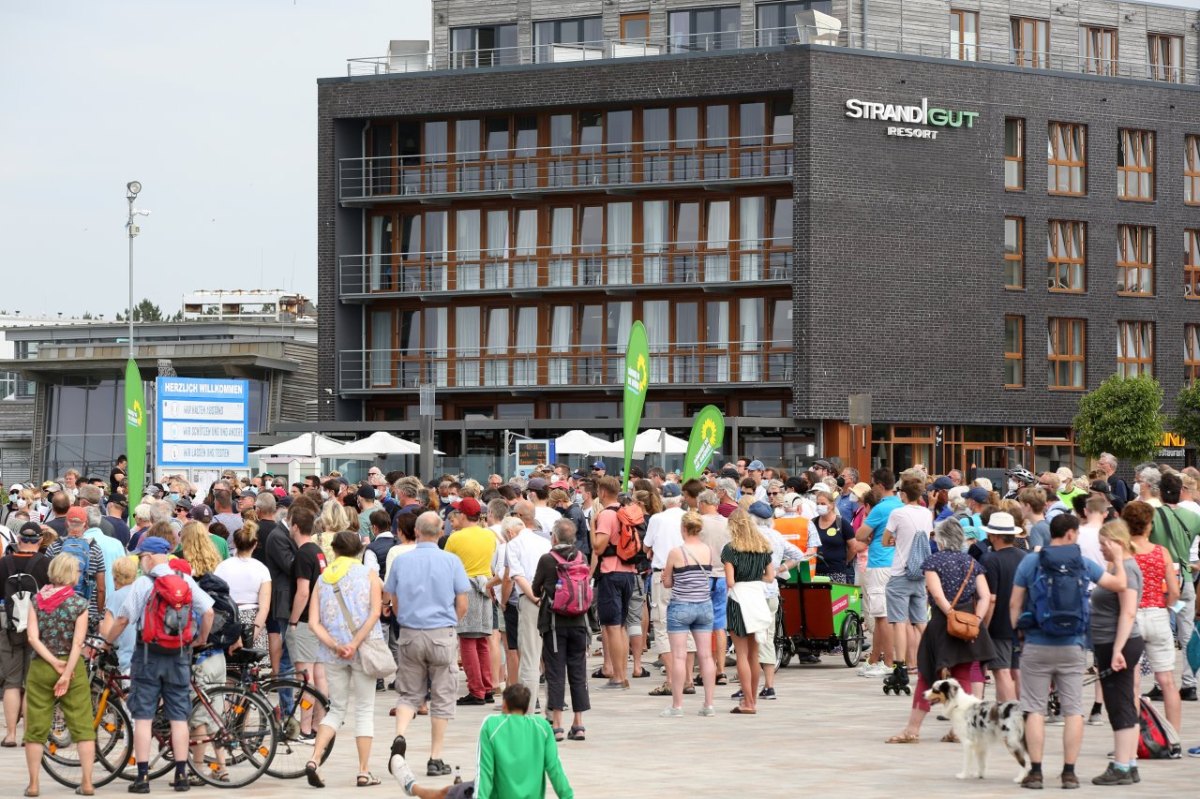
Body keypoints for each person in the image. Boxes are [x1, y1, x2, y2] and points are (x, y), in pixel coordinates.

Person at [1010, 512, 1126, 790]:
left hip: (1037, 643)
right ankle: (1069, 773)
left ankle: (1036, 772)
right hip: (1073, 644)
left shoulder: (1030, 561)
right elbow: (1118, 584)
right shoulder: (1082, 563)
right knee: (1073, 710)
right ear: (1072, 534)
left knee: (1034, 708)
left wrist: (1019, 633)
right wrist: (1119, 559)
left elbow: (1015, 604)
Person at [103, 533, 215, 793]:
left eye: (142, 556)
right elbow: (208, 611)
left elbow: (122, 620)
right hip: (179, 655)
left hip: (148, 655)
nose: (141, 561)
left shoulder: (144, 584)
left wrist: (107, 642)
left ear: (151, 557)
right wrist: (200, 638)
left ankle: (142, 778)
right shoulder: (185, 580)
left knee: (143, 717)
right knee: (178, 716)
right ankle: (181, 774)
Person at [886, 516, 995, 744]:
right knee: (963, 676)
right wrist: (975, 619)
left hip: (942, 626)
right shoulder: (972, 563)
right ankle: (960, 730)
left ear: (942, 540)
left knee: (927, 676)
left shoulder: (934, 562)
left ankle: (912, 730)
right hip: (969, 627)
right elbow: (985, 596)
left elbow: (936, 595)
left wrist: (950, 614)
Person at [385, 511, 470, 778]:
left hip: (410, 632)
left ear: (417, 532)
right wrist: (449, 623)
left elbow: (393, 599)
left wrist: (406, 618)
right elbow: (463, 604)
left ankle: (400, 735)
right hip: (441, 632)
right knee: (442, 696)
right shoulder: (451, 561)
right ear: (441, 532)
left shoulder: (401, 561)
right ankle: (435, 757)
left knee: (409, 694)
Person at [388, 683, 573, 799]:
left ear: (505, 705)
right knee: (452, 790)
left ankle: (411, 787)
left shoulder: (492, 724)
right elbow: (555, 770)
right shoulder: (543, 727)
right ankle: (412, 787)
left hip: (489, 793)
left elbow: (485, 772)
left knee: (445, 793)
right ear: (526, 708)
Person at [304, 531, 384, 788]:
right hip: (363, 649)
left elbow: (314, 623)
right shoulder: (369, 575)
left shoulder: (323, 579)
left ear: (334, 550)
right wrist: (354, 643)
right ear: (358, 551)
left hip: (333, 653)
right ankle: (363, 771)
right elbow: (375, 613)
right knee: (364, 710)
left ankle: (315, 759)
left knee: (336, 709)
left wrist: (337, 646)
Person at [23, 553, 95, 797]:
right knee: (83, 726)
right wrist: (66, 671)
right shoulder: (79, 604)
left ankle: (33, 784)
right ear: (73, 574)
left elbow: (32, 638)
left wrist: (52, 662)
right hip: (72, 667)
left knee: (35, 726)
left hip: (42, 666)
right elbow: (78, 642)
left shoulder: (36, 601)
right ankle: (86, 782)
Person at [1089, 520, 1145, 786]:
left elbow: (1129, 611)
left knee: (1119, 703)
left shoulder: (1129, 570)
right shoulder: (1120, 567)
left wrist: (1117, 649)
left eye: (1104, 544)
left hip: (1117, 642)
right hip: (1111, 641)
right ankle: (1129, 762)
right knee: (1121, 702)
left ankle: (1122, 765)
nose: (1101, 549)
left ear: (1117, 543)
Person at [1123, 500, 1183, 734]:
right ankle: (1173, 737)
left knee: (1133, 682)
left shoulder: (1123, 551)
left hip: (1132, 617)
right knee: (1167, 680)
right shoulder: (1161, 553)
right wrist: (1167, 609)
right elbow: (1174, 591)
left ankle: (1134, 738)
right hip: (1157, 614)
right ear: (1149, 525)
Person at [532, 518, 591, 740]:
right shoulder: (581, 557)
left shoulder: (548, 560)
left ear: (554, 537)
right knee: (578, 672)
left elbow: (536, 589)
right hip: (579, 623)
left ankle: (556, 724)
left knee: (555, 673)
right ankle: (579, 723)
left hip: (554, 624)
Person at [1148, 472, 1200, 702]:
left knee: (1162, 633)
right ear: (1181, 492)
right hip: (1185, 581)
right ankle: (1189, 684)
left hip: (1162, 583)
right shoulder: (1192, 517)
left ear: (1160, 492)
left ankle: (1162, 683)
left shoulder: (1153, 516)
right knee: (1186, 631)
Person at [660, 510, 717, 717]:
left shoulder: (676, 552)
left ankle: (677, 706)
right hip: (704, 605)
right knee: (706, 656)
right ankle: (708, 704)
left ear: (683, 528)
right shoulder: (708, 550)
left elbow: (668, 582)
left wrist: (667, 578)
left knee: (678, 656)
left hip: (681, 606)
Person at [0, 522, 51, 747]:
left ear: (19, 539)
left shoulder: (4, 564)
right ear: (40, 541)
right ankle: (29, 735)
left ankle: (10, 734)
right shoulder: (46, 564)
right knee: (32, 682)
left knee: (11, 682)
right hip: (36, 628)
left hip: (8, 627)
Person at [443, 498, 497, 705]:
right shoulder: (489, 535)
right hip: (485, 587)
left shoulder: (455, 538)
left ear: (463, 515)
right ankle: (487, 685)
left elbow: (447, 566)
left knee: (466, 641)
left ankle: (476, 690)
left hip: (465, 589)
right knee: (482, 640)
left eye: (456, 514)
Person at [722, 510, 775, 715]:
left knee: (741, 654)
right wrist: (755, 578)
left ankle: (747, 701)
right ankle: (752, 700)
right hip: (757, 598)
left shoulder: (730, 549)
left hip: (738, 599)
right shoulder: (763, 547)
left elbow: (730, 581)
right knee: (754, 655)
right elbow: (770, 577)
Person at [882, 477, 933, 686]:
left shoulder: (898, 513)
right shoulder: (927, 513)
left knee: (899, 622)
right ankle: (936, 657)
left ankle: (900, 666)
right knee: (921, 621)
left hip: (901, 571)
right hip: (920, 572)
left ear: (903, 493)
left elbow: (885, 540)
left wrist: (895, 540)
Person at [286, 505, 329, 740]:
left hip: (304, 621)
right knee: (320, 676)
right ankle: (319, 724)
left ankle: (304, 727)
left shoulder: (303, 553)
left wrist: (293, 620)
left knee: (304, 678)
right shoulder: (318, 551)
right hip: (319, 620)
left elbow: (303, 591)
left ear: (295, 526)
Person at [590, 477, 637, 690]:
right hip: (629, 572)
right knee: (621, 626)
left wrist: (592, 525)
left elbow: (598, 546)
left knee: (611, 627)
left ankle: (618, 677)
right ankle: (621, 674)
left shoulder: (607, 514)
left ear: (602, 492)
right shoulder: (625, 510)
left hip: (611, 572)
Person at [856, 468, 901, 678]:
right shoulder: (901, 505)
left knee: (882, 616)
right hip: (896, 562)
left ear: (881, 485)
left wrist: (870, 533)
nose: (873, 488)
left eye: (873, 484)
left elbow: (860, 534)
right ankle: (875, 658)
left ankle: (888, 661)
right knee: (884, 614)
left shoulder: (881, 508)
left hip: (879, 562)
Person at [981, 513, 1026, 703]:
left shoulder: (990, 560)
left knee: (1001, 670)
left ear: (995, 536)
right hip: (1022, 621)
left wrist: (983, 626)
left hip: (999, 623)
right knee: (1018, 669)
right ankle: (1026, 710)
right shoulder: (1025, 557)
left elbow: (991, 598)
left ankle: (1009, 712)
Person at [214, 522, 272, 652]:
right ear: (255, 544)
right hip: (253, 621)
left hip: (227, 619)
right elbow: (265, 607)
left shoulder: (222, 567)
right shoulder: (262, 569)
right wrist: (253, 634)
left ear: (234, 543)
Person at [99, 555, 138, 676]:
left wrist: (100, 625)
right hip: (145, 658)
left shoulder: (115, 597)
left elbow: (106, 632)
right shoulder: (140, 592)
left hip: (125, 659)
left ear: (115, 576)